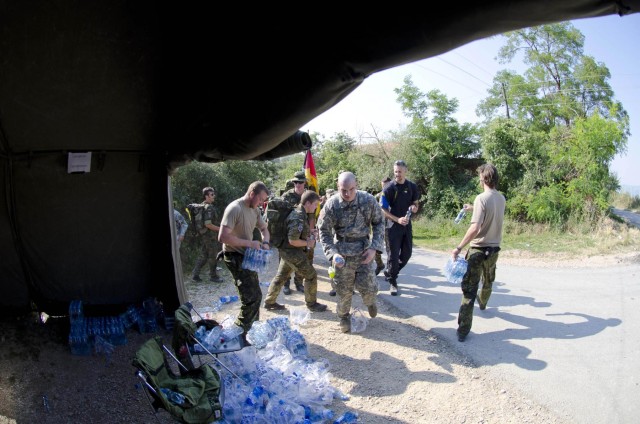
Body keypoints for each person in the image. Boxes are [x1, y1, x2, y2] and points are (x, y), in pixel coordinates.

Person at [318, 171, 385, 333]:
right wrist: (333, 254)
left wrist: (374, 248)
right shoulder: (332, 205)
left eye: (351, 189)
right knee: (343, 290)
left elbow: (379, 222)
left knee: (369, 288)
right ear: (338, 187)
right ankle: (343, 317)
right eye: (343, 190)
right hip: (342, 254)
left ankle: (370, 302)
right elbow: (324, 231)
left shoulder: (368, 200)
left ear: (357, 186)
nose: (347, 194)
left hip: (364, 252)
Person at [451, 163, 505, 342]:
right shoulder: (501, 198)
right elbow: (491, 211)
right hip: (494, 250)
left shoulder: (481, 198)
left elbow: (475, 228)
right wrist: (472, 209)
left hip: (478, 250)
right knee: (488, 279)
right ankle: (483, 302)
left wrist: (459, 247)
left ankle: (463, 330)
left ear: (483, 178)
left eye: (480, 177)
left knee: (468, 290)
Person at [218, 181, 271, 340]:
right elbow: (222, 237)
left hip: (247, 256)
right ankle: (241, 333)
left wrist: (266, 242)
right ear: (252, 193)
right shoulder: (235, 208)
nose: (262, 203)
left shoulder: (254, 210)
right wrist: (251, 243)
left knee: (256, 295)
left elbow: (264, 229)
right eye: (261, 199)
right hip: (234, 256)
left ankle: (251, 331)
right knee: (251, 298)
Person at [263, 190, 327, 312]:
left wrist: (310, 233)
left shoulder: (300, 213)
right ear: (307, 203)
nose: (316, 208)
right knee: (311, 275)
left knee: (281, 276)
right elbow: (292, 240)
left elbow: (298, 233)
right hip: (291, 251)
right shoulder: (298, 216)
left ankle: (269, 302)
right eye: (315, 205)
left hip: (288, 251)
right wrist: (308, 243)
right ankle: (311, 304)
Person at [381, 160, 420, 296]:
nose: (397, 174)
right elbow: (383, 210)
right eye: (395, 172)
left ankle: (390, 271)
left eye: (400, 172)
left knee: (407, 254)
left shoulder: (412, 187)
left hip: (407, 225)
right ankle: (393, 282)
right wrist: (397, 219)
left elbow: (415, 204)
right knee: (393, 255)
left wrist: (414, 208)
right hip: (392, 226)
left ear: (405, 171)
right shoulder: (388, 188)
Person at [281, 170, 315, 295]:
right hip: (288, 234)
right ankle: (286, 284)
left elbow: (311, 216)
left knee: (303, 258)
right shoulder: (286, 196)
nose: (298, 184)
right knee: (285, 260)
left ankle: (298, 283)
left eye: (300, 182)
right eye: (295, 182)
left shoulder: (308, 196)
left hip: (303, 234)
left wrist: (311, 232)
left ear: (304, 183)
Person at [191, 187, 223, 283]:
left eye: (213, 194)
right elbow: (208, 224)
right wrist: (221, 229)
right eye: (211, 195)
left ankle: (195, 274)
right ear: (206, 196)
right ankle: (213, 276)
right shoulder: (208, 208)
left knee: (204, 255)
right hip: (210, 236)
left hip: (205, 235)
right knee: (212, 255)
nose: (214, 196)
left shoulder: (202, 206)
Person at [374, 176, 392, 276]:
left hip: (390, 225)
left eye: (386, 186)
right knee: (376, 247)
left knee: (390, 249)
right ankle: (379, 264)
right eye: (382, 186)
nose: (384, 188)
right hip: (379, 225)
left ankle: (389, 270)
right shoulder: (378, 196)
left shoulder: (394, 194)